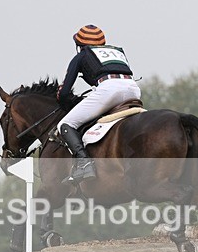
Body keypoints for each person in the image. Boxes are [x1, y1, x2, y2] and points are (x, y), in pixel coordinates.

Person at [57, 24, 141, 182]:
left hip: (109, 90)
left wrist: (69, 102)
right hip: (133, 88)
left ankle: (84, 164)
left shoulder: (81, 56)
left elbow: (64, 93)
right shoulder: (116, 52)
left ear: (79, 45)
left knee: (65, 124)